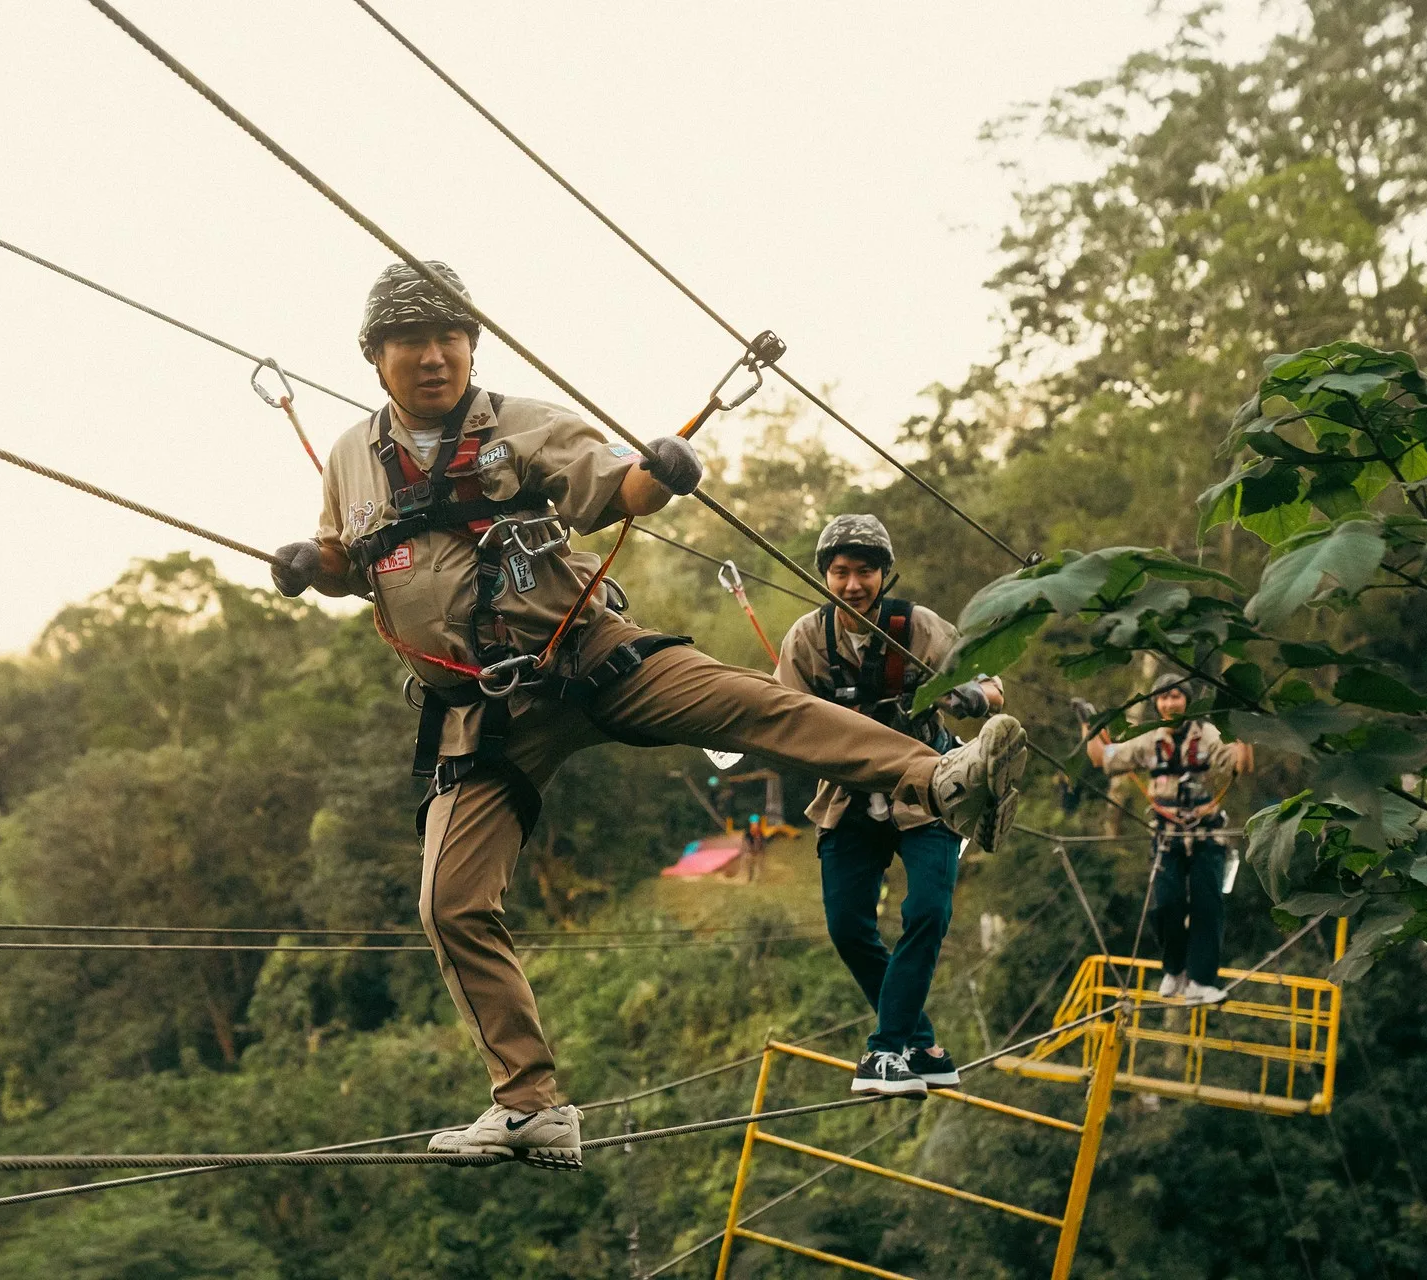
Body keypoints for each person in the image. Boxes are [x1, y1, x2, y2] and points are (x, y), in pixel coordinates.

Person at [270, 262, 1029, 1168]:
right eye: (411, 342)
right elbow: (358, 560)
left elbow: (611, 486)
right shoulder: (355, 456)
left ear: (473, 345)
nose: (434, 358)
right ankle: (530, 1107)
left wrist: (659, 477)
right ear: (374, 356)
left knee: (753, 705)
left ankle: (941, 777)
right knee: (449, 902)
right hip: (483, 710)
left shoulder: (524, 427)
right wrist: (314, 565)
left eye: (450, 338)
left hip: (585, 655)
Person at [775, 515, 1006, 1096]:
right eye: (841, 572)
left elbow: (991, 685)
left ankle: (885, 1052)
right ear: (825, 576)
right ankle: (921, 1047)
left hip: (927, 786)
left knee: (928, 910)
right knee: (848, 927)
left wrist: (965, 695)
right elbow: (778, 713)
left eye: (866, 572)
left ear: (885, 574)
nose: (853, 585)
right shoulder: (807, 639)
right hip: (848, 795)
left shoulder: (918, 627)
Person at [1083, 671, 1252, 1006]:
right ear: (1156, 703)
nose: (1170, 702)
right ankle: (1174, 970)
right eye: (1163, 697)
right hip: (1166, 836)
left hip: (1206, 834)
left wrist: (1245, 730)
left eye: (1176, 696)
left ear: (1187, 700)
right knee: (1166, 903)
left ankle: (1201, 981)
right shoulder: (1149, 739)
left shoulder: (1208, 736)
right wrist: (1089, 725)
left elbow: (1241, 765)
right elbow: (1102, 758)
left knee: (1207, 905)